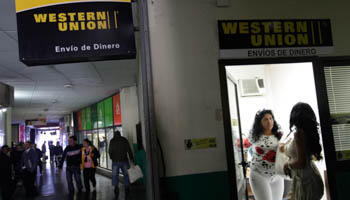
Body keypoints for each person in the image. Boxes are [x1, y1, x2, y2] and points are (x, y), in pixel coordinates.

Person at [281, 102, 324, 200]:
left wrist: (287, 165)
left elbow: (301, 162)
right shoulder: (309, 133)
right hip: (309, 175)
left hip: (304, 179)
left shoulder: (299, 134)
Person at [247, 109, 284, 200]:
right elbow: (247, 147)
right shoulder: (254, 135)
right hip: (259, 174)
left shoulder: (279, 134)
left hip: (277, 175)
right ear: (260, 122)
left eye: (271, 118)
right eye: (265, 119)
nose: (269, 121)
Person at [109, 131, 134, 196]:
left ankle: (116, 187)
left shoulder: (112, 141)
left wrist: (112, 157)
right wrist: (131, 158)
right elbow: (129, 149)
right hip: (124, 160)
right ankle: (126, 187)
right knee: (126, 175)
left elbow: (110, 150)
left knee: (115, 175)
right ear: (120, 134)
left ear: (114, 135)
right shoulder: (124, 140)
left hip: (115, 161)